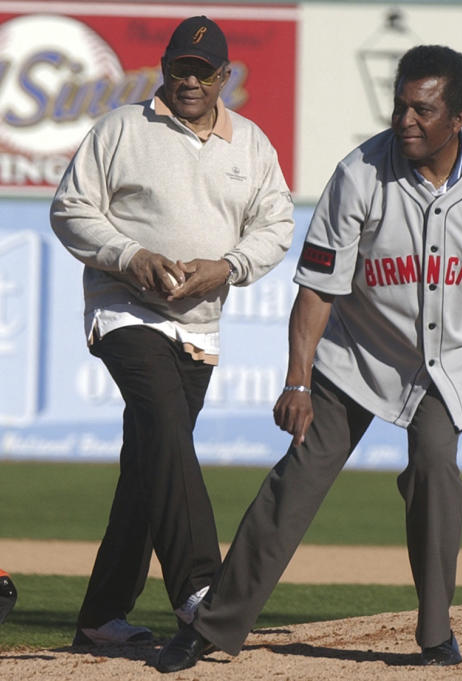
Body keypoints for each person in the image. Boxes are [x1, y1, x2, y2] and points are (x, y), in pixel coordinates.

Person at [153, 44, 462, 673]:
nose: (406, 121)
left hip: (445, 367)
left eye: (423, 110)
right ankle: (212, 626)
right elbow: (316, 288)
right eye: (400, 106)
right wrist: (298, 382)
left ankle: (434, 634)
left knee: (435, 473)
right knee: (297, 481)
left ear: (460, 117)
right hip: (358, 358)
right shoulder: (361, 171)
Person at [50, 15, 294, 645]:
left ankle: (101, 618)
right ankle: (198, 586)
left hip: (199, 328)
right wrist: (132, 257)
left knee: (149, 465)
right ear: (164, 67)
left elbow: (275, 226)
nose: (190, 80)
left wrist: (227, 268)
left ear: (224, 76)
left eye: (203, 71)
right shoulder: (122, 128)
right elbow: (70, 209)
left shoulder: (252, 144)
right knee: (163, 426)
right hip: (126, 314)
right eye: (180, 68)